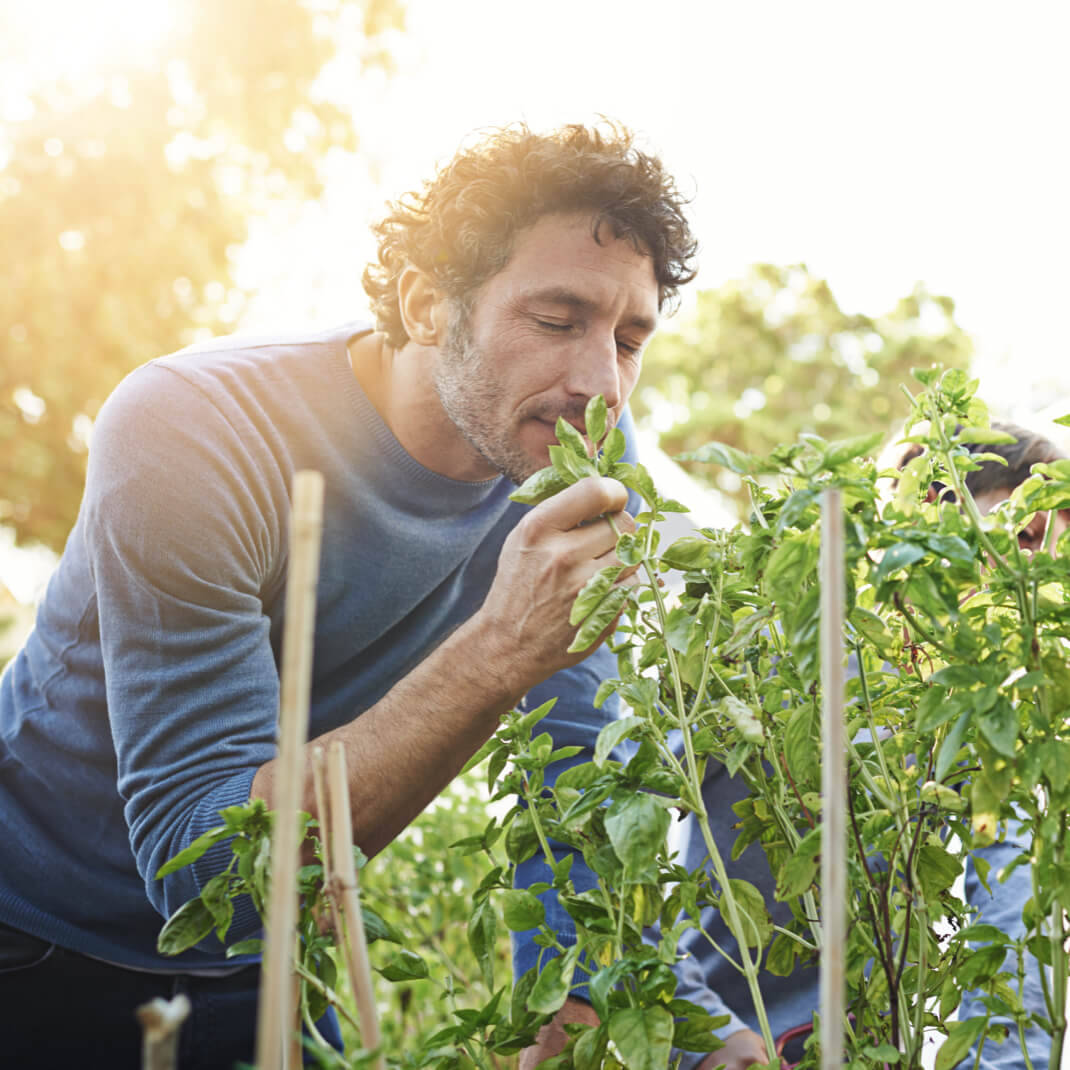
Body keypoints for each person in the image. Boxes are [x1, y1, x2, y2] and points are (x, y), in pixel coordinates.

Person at [0, 121, 698, 1068]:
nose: (598, 384)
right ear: (425, 303)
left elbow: (579, 766)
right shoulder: (197, 430)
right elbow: (210, 873)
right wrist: (498, 648)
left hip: (276, 959)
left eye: (628, 338)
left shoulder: (570, 450)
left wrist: (575, 996)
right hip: (35, 932)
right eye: (556, 319)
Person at [521, 419, 1067, 1070]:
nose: (1033, 577)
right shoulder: (761, 660)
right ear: (923, 512)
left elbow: (1006, 914)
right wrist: (706, 1033)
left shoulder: (986, 716)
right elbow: (615, 857)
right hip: (731, 1034)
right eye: (1026, 533)